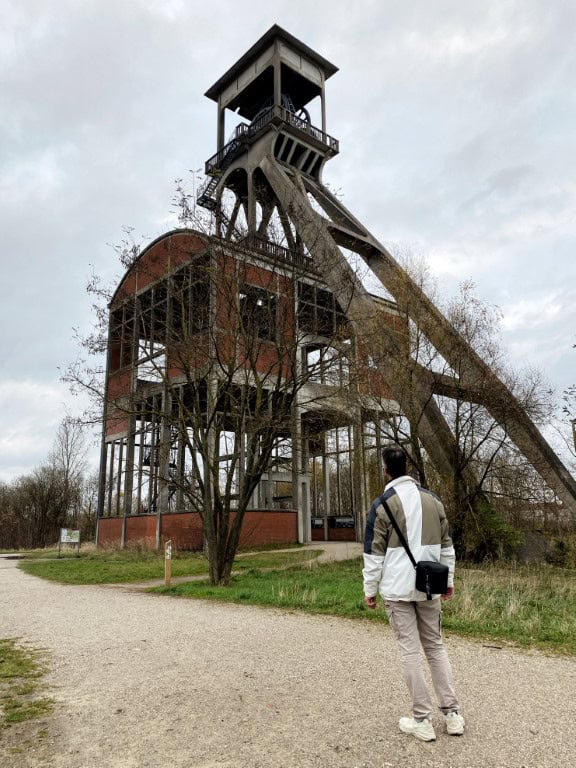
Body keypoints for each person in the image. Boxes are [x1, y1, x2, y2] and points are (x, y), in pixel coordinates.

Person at [362, 446, 465, 742]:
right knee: (435, 646)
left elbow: (373, 555)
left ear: (385, 470)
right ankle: (452, 714)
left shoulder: (382, 505)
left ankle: (421, 719)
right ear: (406, 467)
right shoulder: (433, 500)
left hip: (397, 588)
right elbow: (447, 547)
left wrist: (370, 589)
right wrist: (449, 580)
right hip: (431, 585)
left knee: (410, 649)